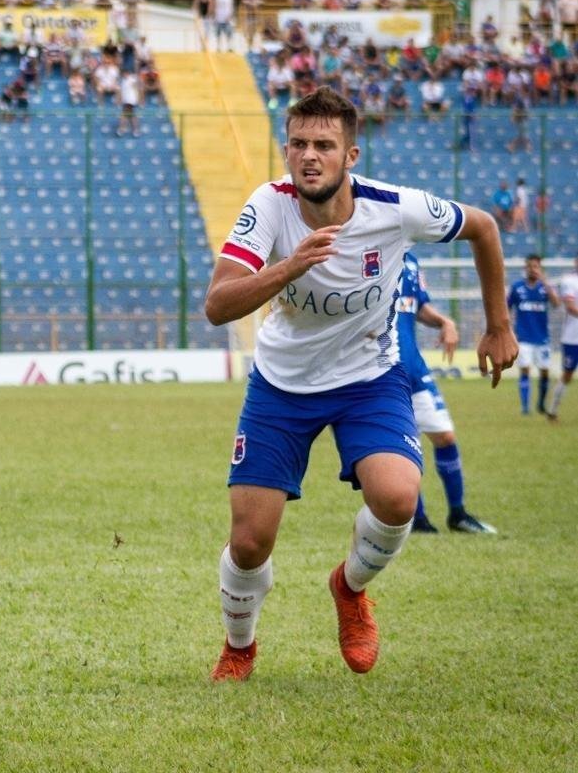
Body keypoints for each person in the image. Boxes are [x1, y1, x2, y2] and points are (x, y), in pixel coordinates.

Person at [203, 87, 516, 682]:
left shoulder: (395, 207)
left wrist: (497, 325)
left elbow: (484, 227)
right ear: (287, 150)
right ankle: (240, 645)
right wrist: (290, 265)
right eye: (298, 144)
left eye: (324, 145)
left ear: (351, 155)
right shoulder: (268, 206)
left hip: (368, 378)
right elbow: (218, 305)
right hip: (282, 385)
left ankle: (349, 590)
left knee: (398, 497)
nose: (309, 156)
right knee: (249, 543)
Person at [397, 253, 498, 534]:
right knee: (403, 445)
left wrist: (445, 321)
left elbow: (418, 306)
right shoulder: (367, 249)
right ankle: (417, 519)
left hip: (414, 367)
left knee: (445, 436)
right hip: (381, 371)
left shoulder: (412, 260)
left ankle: (458, 513)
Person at [508, 254, 561, 415]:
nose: (532, 269)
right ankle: (525, 407)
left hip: (542, 338)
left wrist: (545, 282)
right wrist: (509, 330)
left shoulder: (545, 288)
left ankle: (541, 403)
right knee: (525, 369)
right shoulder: (517, 287)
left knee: (544, 371)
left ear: (540, 269)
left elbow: (557, 304)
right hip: (523, 337)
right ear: (525, 268)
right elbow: (506, 308)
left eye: (536, 266)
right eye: (530, 266)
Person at [547, 253, 578, 420]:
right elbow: (571, 307)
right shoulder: (569, 281)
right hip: (573, 338)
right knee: (567, 375)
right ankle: (552, 410)